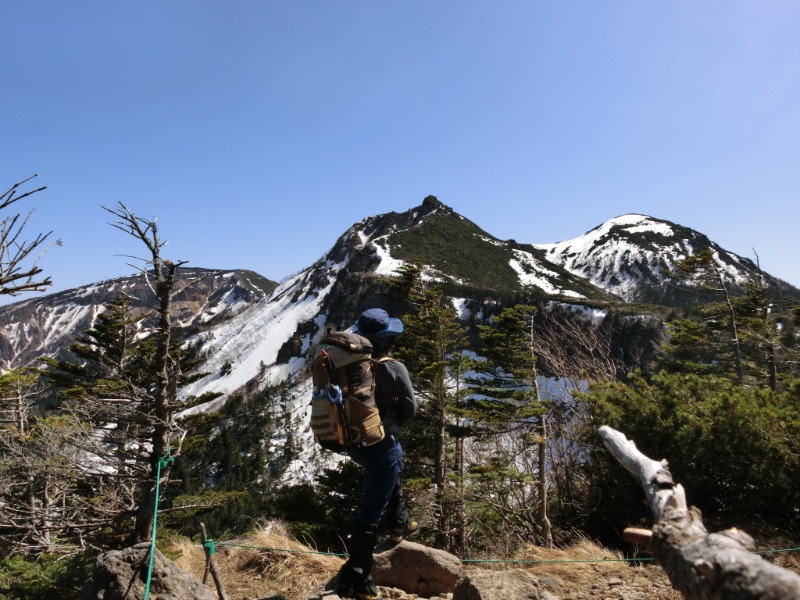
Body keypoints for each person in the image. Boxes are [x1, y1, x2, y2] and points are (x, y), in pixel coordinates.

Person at [336, 308, 419, 600]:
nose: (393, 341)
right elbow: (410, 410)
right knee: (371, 509)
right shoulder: (391, 367)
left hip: (354, 442)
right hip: (379, 442)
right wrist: (393, 424)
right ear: (382, 341)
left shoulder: (347, 361)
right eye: (389, 337)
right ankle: (358, 578)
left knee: (392, 465)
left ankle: (399, 521)